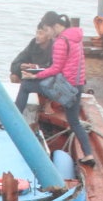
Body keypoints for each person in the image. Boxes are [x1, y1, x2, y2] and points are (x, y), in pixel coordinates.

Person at [23, 12, 95, 167]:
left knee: (26, 85)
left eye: (47, 30)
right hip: (77, 85)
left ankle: (14, 120)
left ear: (53, 26)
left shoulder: (61, 42)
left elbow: (56, 69)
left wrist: (35, 76)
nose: (48, 34)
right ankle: (88, 154)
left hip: (65, 87)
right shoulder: (75, 37)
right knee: (74, 121)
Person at [9, 22, 53, 115]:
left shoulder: (54, 47)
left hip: (47, 76)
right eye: (37, 33)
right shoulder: (33, 44)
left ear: (49, 36)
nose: (37, 36)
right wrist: (21, 66)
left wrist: (37, 67)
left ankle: (47, 103)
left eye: (40, 33)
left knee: (50, 79)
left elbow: (54, 67)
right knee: (14, 76)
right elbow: (14, 64)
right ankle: (22, 102)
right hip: (32, 74)